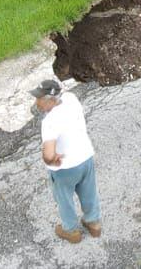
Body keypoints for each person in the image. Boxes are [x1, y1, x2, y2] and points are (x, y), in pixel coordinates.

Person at [32, 79, 101, 244]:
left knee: (64, 198)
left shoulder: (49, 122)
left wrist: (50, 159)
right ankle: (94, 223)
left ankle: (71, 231)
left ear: (50, 100)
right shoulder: (71, 98)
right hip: (85, 157)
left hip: (66, 168)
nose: (36, 102)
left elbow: (49, 155)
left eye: (39, 99)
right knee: (89, 191)